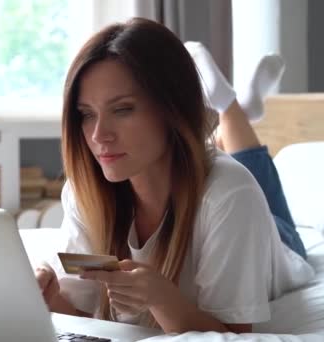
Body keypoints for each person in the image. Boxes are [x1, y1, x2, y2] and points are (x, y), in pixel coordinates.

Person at [34, 18, 314, 334]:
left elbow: (234, 335)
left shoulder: (231, 194)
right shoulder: (84, 192)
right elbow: (86, 316)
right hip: (197, 170)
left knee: (253, 183)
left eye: (123, 109)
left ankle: (229, 107)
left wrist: (161, 298)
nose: (99, 135)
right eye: (86, 114)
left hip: (282, 240)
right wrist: (51, 297)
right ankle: (232, 115)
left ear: (172, 109)